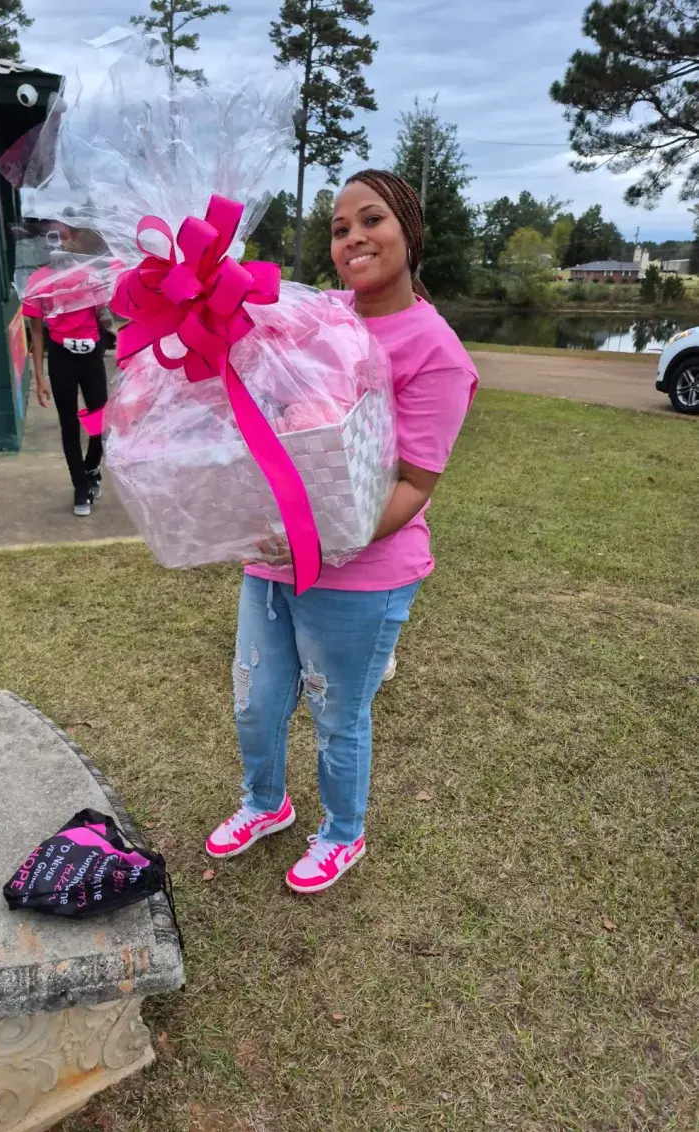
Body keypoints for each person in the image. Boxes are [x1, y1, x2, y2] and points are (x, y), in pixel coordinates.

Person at [206, 170, 479, 894]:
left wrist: (325, 540)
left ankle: (341, 832)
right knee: (256, 698)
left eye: (371, 219)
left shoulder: (437, 350)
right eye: (339, 228)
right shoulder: (319, 317)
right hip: (273, 554)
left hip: (361, 572)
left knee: (337, 713)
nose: (354, 237)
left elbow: (413, 484)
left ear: (409, 230)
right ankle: (266, 802)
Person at [23, 222, 109, 517]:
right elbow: (36, 334)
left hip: (91, 353)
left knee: (99, 421)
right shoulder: (38, 280)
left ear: (73, 239)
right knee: (69, 424)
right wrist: (39, 377)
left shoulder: (90, 275)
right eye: (51, 237)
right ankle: (80, 485)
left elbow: (104, 317)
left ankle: (92, 466)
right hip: (61, 355)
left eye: (62, 236)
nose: (57, 242)